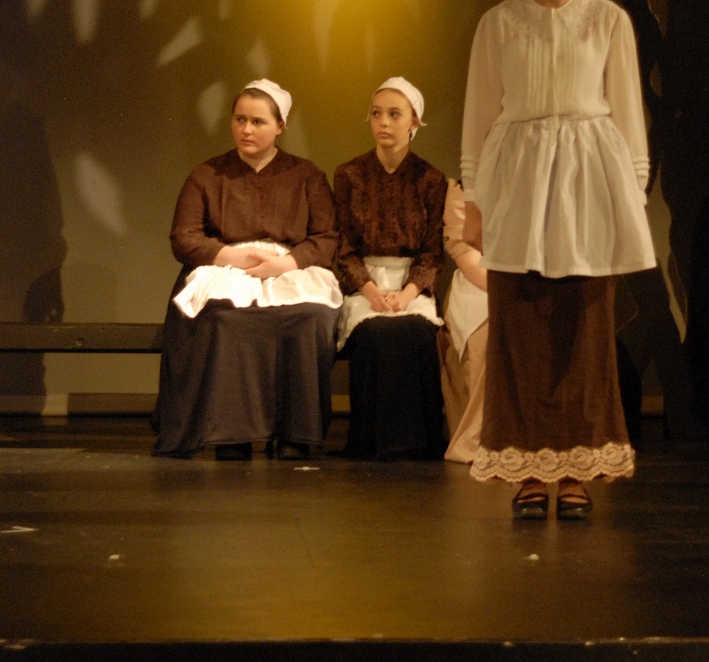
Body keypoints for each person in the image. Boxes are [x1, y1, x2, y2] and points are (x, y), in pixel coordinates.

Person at [461, 0, 655, 519]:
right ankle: (525, 469)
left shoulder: (607, 20)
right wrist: (475, 198)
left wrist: (632, 192)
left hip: (587, 178)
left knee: (584, 328)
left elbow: (627, 112)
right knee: (520, 326)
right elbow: (479, 115)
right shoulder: (498, 22)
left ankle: (575, 468)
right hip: (518, 176)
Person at [153, 79, 341, 461]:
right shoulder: (207, 175)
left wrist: (284, 263)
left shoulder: (307, 175)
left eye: (258, 122)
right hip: (227, 267)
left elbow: (326, 237)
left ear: (280, 126)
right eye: (240, 119)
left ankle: (296, 434)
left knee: (311, 318)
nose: (247, 129)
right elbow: (183, 237)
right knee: (224, 319)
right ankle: (231, 436)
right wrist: (234, 257)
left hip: (289, 269)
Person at [331, 77, 447, 459]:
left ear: (413, 121)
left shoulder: (431, 180)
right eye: (377, 113)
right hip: (365, 284)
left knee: (417, 333)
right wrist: (371, 291)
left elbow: (432, 251)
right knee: (375, 334)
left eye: (394, 114)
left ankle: (419, 443)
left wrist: (408, 294)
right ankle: (371, 442)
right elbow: (344, 248)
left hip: (411, 285)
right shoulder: (349, 175)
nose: (383, 122)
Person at [438, 177, 488, 463]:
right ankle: (488, 438)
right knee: (489, 335)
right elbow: (469, 260)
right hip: (481, 284)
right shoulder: (460, 190)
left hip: (533, 281)